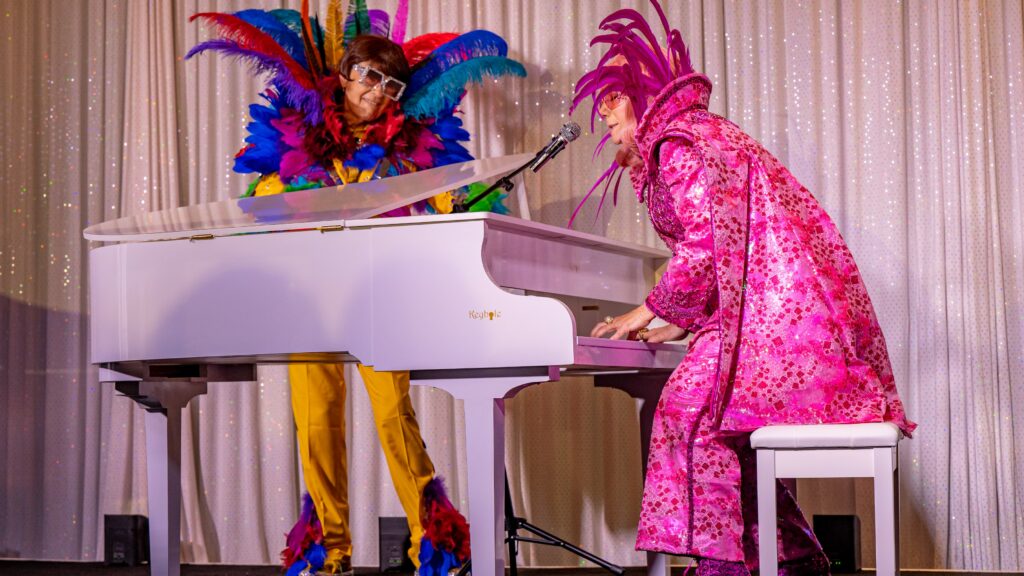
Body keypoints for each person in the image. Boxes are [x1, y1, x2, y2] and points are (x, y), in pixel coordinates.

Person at [572, 2, 916, 575]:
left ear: (642, 103)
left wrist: (643, 313)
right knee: (718, 423)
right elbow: (732, 245)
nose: (608, 133)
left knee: (687, 412)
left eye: (612, 120)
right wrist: (675, 320)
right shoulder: (697, 133)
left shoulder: (677, 144)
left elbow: (706, 243)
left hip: (775, 326)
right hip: (782, 316)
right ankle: (791, 557)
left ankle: (726, 564)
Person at [187, 3, 525, 575]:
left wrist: (477, 203)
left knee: (395, 416)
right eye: (370, 77)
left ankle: (435, 544)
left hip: (380, 298)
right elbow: (261, 205)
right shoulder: (295, 138)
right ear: (343, 76)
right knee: (316, 421)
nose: (380, 92)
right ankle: (328, 552)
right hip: (310, 301)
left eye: (392, 84)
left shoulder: (410, 150)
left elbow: (450, 195)